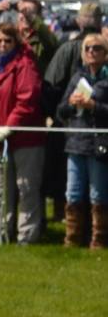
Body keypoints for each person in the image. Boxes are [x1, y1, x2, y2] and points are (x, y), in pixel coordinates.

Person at [0, 23, 47, 243]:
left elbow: (27, 99)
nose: (2, 45)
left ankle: (26, 234)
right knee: (0, 189)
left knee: (25, 187)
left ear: (15, 42)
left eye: (7, 41)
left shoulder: (25, 64)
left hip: (26, 139)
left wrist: (9, 126)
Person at [54, 33, 108, 249]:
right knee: (73, 192)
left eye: (96, 48)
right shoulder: (78, 77)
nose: (91, 52)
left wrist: (94, 107)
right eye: (87, 49)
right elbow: (61, 111)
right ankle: (72, 239)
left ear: (105, 53)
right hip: (76, 142)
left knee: (98, 193)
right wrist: (72, 103)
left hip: (99, 144)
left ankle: (100, 239)